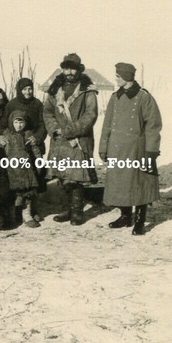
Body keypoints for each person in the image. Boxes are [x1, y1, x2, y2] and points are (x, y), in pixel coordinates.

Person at [99, 62, 162, 236]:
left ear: (126, 77)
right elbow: (107, 124)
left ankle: (140, 221)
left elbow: (153, 126)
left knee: (139, 184)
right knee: (120, 183)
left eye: (118, 76)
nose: (116, 79)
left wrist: (151, 151)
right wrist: (104, 147)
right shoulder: (115, 97)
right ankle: (125, 217)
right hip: (116, 149)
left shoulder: (144, 97)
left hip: (137, 150)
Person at [43, 53, 98, 226]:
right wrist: (54, 129)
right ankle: (67, 209)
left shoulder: (87, 90)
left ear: (79, 69)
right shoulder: (54, 90)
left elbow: (90, 115)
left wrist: (70, 130)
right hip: (59, 139)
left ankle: (77, 212)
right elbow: (47, 112)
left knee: (77, 177)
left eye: (73, 69)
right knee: (62, 176)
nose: (69, 72)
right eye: (66, 68)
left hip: (78, 140)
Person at [0, 111, 41, 228]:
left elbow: (35, 149)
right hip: (11, 169)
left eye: (21, 122)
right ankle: (14, 215)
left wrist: (39, 161)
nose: (19, 125)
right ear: (11, 123)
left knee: (28, 193)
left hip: (26, 168)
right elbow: (0, 151)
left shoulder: (28, 134)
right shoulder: (6, 135)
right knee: (15, 194)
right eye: (16, 122)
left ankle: (27, 215)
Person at [0, 77, 46, 154]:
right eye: (24, 89)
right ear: (19, 90)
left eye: (30, 89)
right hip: (14, 144)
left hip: (32, 142)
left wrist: (37, 137)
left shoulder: (37, 104)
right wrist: (0, 136)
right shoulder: (11, 104)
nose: (27, 92)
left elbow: (43, 123)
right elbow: (3, 123)